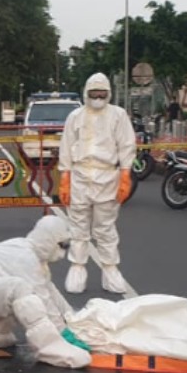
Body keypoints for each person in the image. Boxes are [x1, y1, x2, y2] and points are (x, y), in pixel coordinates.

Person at [0, 214, 91, 369]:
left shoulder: (33, 256)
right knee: (21, 289)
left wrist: (74, 320)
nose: (64, 251)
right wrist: (62, 334)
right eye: (62, 245)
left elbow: (51, 292)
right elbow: (43, 299)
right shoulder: (25, 256)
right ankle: (49, 347)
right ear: (51, 240)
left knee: (19, 298)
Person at [57, 73, 136, 295]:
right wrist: (64, 178)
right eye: (94, 93)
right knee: (78, 226)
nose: (98, 97)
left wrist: (125, 176)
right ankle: (77, 267)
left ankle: (110, 270)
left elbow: (126, 145)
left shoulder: (118, 116)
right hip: (80, 177)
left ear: (108, 93)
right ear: (87, 93)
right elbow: (66, 146)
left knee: (105, 228)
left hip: (108, 178)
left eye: (102, 93)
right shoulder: (75, 116)